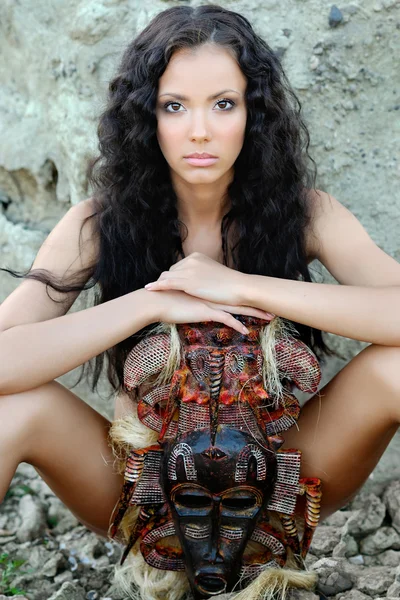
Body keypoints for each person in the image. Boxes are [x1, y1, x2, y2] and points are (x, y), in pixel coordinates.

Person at [0, 3, 399, 599]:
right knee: (12, 410)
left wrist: (236, 286)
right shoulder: (96, 225)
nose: (200, 131)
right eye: (174, 106)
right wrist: (151, 303)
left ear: (253, 113)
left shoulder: (306, 214)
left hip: (281, 480)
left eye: (224, 103)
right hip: (143, 490)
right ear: (146, 117)